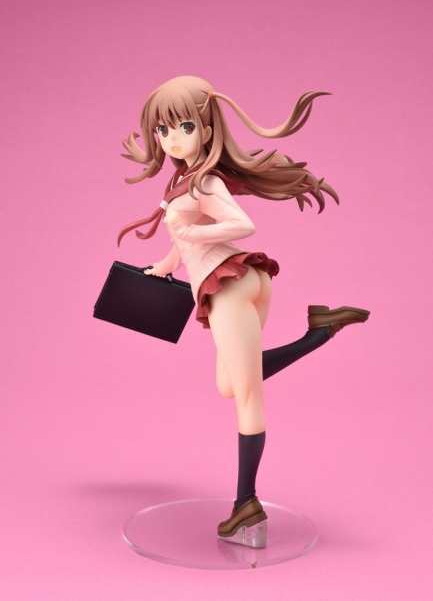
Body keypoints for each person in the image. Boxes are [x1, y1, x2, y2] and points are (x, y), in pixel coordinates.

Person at [117, 76, 369, 547]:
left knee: (249, 398)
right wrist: (165, 265)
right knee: (231, 383)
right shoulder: (185, 178)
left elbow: (241, 224)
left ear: (208, 130)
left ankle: (246, 506)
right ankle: (319, 332)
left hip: (229, 286)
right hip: (240, 281)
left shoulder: (207, 180)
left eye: (184, 127)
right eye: (163, 130)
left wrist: (194, 236)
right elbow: (182, 237)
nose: (172, 139)